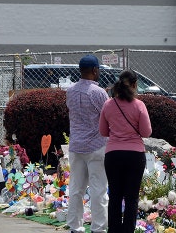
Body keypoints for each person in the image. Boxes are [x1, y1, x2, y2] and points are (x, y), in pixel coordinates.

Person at [99, 69, 152, 233]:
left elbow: (103, 131)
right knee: (131, 197)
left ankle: (114, 230)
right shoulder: (139, 105)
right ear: (135, 85)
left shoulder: (108, 104)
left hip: (113, 154)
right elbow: (146, 132)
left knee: (114, 195)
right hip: (135, 155)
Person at [65, 55, 109, 233]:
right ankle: (98, 228)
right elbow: (107, 116)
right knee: (98, 190)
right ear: (95, 70)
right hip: (96, 145)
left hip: (76, 145)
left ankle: (75, 226)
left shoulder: (70, 91)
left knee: (76, 188)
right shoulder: (98, 93)